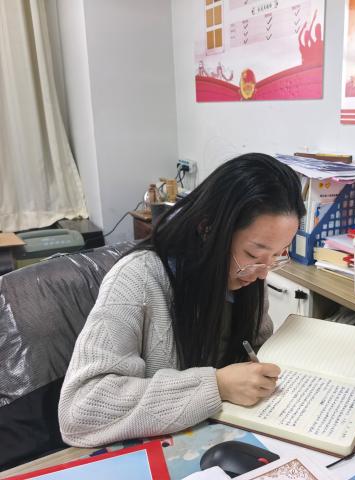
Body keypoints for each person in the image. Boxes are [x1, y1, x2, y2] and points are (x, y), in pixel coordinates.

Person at [58, 153, 306, 447]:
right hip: (158, 449)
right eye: (254, 254)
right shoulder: (137, 278)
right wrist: (216, 386)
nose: (263, 273)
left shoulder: (248, 277)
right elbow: (79, 412)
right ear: (207, 228)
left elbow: (256, 349)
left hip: (221, 437)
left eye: (277, 255)